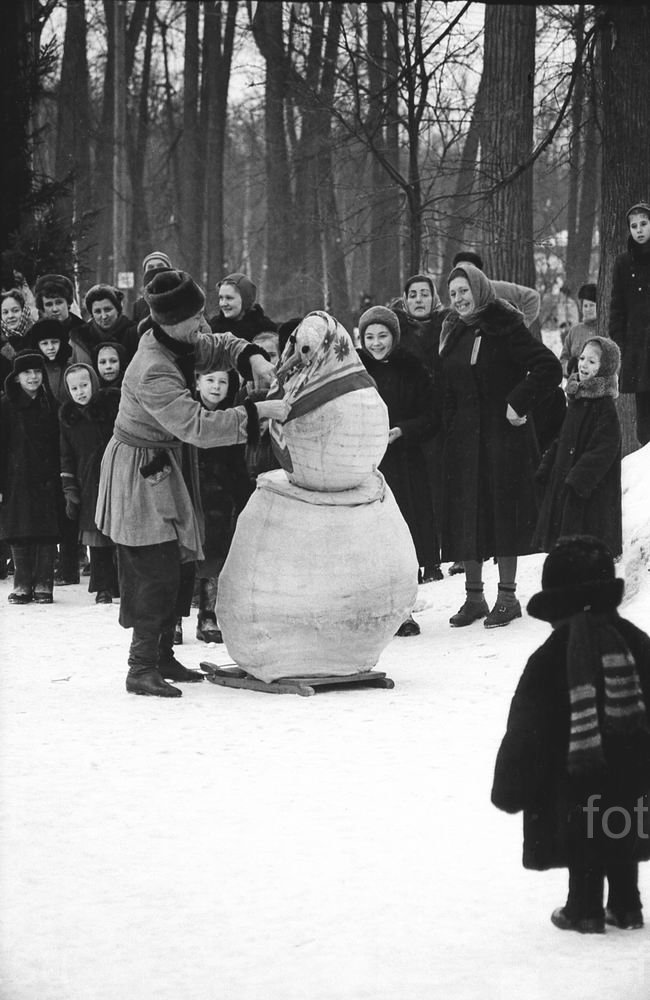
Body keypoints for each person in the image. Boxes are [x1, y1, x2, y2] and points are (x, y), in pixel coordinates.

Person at [95, 268, 285, 698]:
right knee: (153, 565)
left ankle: (163, 656)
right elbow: (198, 426)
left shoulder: (181, 339)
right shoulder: (152, 368)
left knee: (180, 561)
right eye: (195, 318)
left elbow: (219, 342)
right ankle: (140, 666)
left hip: (167, 464)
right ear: (167, 321)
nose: (204, 324)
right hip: (140, 471)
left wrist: (253, 355)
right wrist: (261, 413)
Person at [491, 535, 650, 934]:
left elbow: (527, 728)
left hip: (574, 779)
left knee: (584, 835)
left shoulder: (549, 659)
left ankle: (583, 909)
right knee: (620, 825)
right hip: (632, 772)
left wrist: (512, 783)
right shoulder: (636, 643)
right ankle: (627, 905)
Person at [439, 262, 562, 628]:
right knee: (468, 513)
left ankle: (507, 597)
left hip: (503, 437)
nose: (459, 299)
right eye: (453, 294)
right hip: (464, 440)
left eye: (465, 291)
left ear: (480, 288)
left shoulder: (506, 325)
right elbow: (447, 384)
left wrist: (517, 402)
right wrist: (449, 428)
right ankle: (474, 598)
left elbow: (547, 367)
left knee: (503, 512)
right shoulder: (454, 331)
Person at [358, 305, 439, 635]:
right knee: (369, 540)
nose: (376, 343)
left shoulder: (413, 368)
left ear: (395, 336)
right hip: (365, 464)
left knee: (403, 538)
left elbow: (432, 415)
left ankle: (403, 611)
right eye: (370, 337)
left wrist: (403, 430)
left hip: (404, 463)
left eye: (383, 336)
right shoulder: (354, 372)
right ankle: (371, 611)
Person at [534, 337, 622, 558]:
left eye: (592, 362)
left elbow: (605, 447)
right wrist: (548, 464)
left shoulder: (604, 405)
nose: (583, 365)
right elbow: (563, 437)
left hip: (588, 491)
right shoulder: (577, 399)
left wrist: (579, 477)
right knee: (567, 546)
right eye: (582, 358)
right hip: (566, 485)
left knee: (586, 545)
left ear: (605, 368)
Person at [194, 367, 254, 642]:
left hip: (218, 500)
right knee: (182, 561)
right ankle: (172, 621)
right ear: (197, 382)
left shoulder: (232, 417)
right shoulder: (186, 413)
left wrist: (245, 499)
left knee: (215, 557)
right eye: (210, 381)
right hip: (188, 497)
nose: (216, 387)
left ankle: (208, 615)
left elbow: (237, 465)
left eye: (222, 381)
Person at [0, 350, 62, 604]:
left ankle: (44, 583)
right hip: (16, 477)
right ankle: (23, 583)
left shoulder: (51, 404)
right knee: (19, 528)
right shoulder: (5, 405)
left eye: (37, 371)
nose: (33, 377)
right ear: (16, 377)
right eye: (27, 372)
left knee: (46, 530)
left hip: (46, 477)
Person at [59, 363, 120, 604]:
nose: (80, 392)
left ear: (93, 383)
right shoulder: (68, 417)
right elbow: (66, 456)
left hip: (115, 479)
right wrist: (70, 488)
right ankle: (103, 586)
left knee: (120, 537)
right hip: (88, 484)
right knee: (97, 539)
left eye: (84, 385)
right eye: (74, 388)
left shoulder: (109, 408)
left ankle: (123, 584)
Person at [608, 201, 650, 446]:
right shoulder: (624, 263)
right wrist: (622, 344)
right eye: (634, 226)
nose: (639, 230)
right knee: (644, 410)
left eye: (644, 223)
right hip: (637, 348)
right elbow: (617, 308)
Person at [451, 251, 541, 331]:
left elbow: (532, 297)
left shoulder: (493, 287)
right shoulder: (455, 296)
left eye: (469, 268)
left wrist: (523, 324)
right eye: (460, 268)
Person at [34, 273, 96, 367]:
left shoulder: (84, 332)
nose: (55, 309)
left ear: (68, 302)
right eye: (49, 304)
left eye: (59, 302)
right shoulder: (35, 334)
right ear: (42, 307)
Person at [208, 272, 277, 342]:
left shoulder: (265, 329)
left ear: (245, 300)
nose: (223, 303)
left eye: (229, 298)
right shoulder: (212, 328)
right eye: (221, 298)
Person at [83, 284, 139, 363]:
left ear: (118, 310)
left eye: (108, 309)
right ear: (92, 314)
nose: (104, 316)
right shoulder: (81, 337)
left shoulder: (134, 334)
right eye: (98, 311)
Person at [24, 318, 73, 404]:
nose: (50, 347)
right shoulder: (30, 372)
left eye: (54, 342)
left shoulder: (70, 369)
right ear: (37, 345)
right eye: (45, 343)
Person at [560, 282, 601, 377]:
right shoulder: (575, 331)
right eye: (585, 306)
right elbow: (563, 359)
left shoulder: (603, 329)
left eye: (592, 305)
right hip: (575, 386)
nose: (588, 309)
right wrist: (568, 367)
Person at [1, 288, 34, 385]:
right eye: (5, 312)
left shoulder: (37, 335)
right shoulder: (1, 343)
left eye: (15, 310)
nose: (10, 316)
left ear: (24, 310)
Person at [131, 251, 173, 325]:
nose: (155, 270)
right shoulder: (139, 305)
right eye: (151, 267)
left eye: (160, 266)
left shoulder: (182, 295)